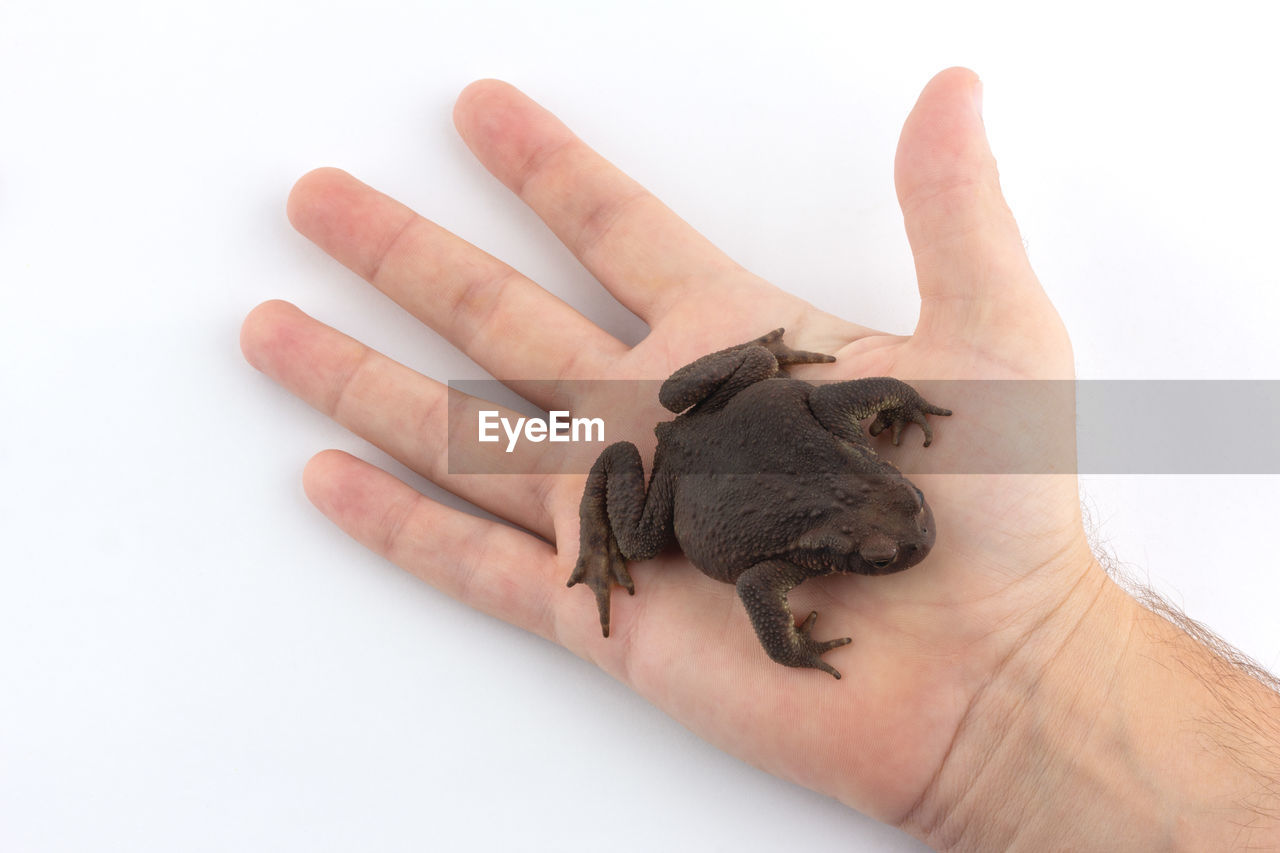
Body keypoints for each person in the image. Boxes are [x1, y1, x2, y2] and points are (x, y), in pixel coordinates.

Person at [239, 67, 1280, 850]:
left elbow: (837, 425)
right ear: (838, 539)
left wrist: (872, 392)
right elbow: (777, 577)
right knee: (643, 540)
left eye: (889, 522)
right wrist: (782, 620)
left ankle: (712, 411)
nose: (905, 533)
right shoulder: (788, 545)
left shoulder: (819, 483)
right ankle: (604, 546)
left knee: (698, 427)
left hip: (725, 406)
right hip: (683, 482)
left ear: (868, 487)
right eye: (880, 546)